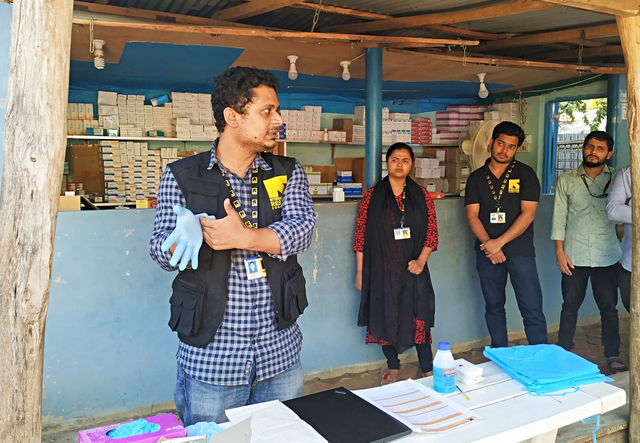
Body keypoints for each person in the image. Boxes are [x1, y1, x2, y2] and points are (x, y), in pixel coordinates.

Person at [149, 67, 316, 425]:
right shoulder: (181, 175)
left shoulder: (287, 172)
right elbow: (160, 252)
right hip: (213, 357)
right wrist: (180, 241)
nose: (278, 119)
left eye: (277, 110)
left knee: (280, 436)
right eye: (267, 110)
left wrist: (246, 238)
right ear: (232, 117)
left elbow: (302, 230)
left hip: (279, 353)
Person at [354, 143, 438, 384]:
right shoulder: (372, 196)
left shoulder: (422, 195)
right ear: (387, 163)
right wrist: (361, 272)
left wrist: (421, 261)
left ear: (411, 164)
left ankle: (426, 367)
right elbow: (361, 237)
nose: (399, 164)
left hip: (414, 270)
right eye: (394, 159)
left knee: (419, 319)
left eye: (405, 160)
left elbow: (431, 233)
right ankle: (393, 366)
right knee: (386, 317)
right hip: (381, 271)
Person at [464, 121, 548, 348]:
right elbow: (472, 215)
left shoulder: (526, 174)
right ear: (491, 143)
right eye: (501, 143)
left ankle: (541, 356)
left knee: (531, 306)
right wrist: (489, 245)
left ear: (517, 149)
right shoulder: (476, 177)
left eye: (511, 146)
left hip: (520, 251)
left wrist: (498, 243)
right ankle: (500, 355)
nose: (504, 150)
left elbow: (528, 214)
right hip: (487, 252)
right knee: (493, 306)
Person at [552, 130, 625, 373]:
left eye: (600, 148)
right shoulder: (567, 180)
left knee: (609, 308)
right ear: (583, 148)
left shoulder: (618, 179)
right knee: (569, 306)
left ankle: (613, 355)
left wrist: (621, 227)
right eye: (590, 146)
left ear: (609, 153)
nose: (593, 152)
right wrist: (559, 252)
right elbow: (559, 218)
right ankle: (563, 352)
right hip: (574, 255)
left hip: (607, 256)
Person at [606, 166, 631, 312]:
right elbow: (613, 211)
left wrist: (630, 206)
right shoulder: (627, 174)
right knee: (634, 314)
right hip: (631, 265)